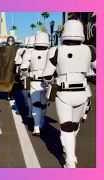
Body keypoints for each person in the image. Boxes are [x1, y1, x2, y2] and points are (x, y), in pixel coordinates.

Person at [42, 20, 96, 168]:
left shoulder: (56, 50)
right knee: (74, 125)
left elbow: (46, 75)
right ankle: (68, 149)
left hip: (63, 92)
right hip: (83, 92)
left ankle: (70, 160)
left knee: (66, 126)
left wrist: (51, 81)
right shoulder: (90, 50)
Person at [20, 32, 49, 135]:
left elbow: (23, 68)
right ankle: (41, 122)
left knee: (36, 103)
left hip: (34, 81)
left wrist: (27, 74)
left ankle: (37, 127)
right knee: (44, 104)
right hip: (47, 82)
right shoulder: (51, 52)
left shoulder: (29, 53)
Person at [20, 36, 35, 118]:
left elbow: (18, 63)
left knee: (28, 93)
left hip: (27, 75)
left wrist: (25, 75)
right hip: (40, 78)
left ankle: (29, 111)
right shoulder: (46, 52)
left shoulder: (24, 51)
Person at [14, 36, 30, 106]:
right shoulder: (47, 51)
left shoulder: (22, 51)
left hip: (25, 73)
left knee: (25, 88)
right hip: (41, 77)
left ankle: (26, 102)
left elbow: (17, 62)